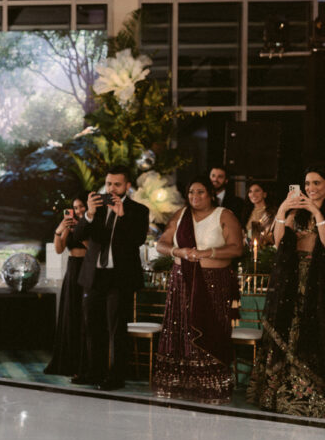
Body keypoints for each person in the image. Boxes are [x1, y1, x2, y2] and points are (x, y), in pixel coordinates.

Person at [151, 176, 243, 403]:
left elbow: (236, 248)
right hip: (182, 280)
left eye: (200, 192)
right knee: (181, 330)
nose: (195, 197)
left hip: (214, 283)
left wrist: (206, 253)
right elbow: (161, 243)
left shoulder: (224, 215)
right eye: (191, 192)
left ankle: (211, 386)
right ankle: (178, 383)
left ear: (211, 193)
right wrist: (178, 252)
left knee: (208, 328)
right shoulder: (181, 215)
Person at [247, 164, 325, 417]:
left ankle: (312, 397)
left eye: (317, 183)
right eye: (308, 184)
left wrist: (315, 210)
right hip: (293, 282)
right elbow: (280, 241)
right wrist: (283, 209)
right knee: (289, 331)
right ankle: (282, 394)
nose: (311, 188)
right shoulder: (297, 214)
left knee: (312, 332)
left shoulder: (316, 211)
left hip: (318, 281)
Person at [72, 165, 150, 390]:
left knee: (117, 328)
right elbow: (78, 236)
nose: (112, 188)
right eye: (108, 184)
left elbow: (136, 240)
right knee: (92, 325)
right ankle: (93, 372)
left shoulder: (139, 210)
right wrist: (88, 214)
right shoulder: (96, 207)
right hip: (95, 275)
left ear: (127, 186)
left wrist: (122, 216)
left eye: (117, 184)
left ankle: (116, 376)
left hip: (120, 276)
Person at [45, 193, 89, 382]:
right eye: (76, 207)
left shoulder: (90, 225)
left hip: (88, 268)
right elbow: (59, 249)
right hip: (72, 269)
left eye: (81, 207)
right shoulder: (71, 225)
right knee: (70, 314)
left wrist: (80, 229)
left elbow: (93, 248)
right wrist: (59, 230)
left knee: (83, 317)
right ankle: (68, 363)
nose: (79, 210)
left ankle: (83, 365)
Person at [242, 182, 275, 247]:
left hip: (267, 251)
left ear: (264, 194)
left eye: (257, 191)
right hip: (247, 249)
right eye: (250, 191)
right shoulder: (246, 212)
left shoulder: (272, 213)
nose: (253, 194)